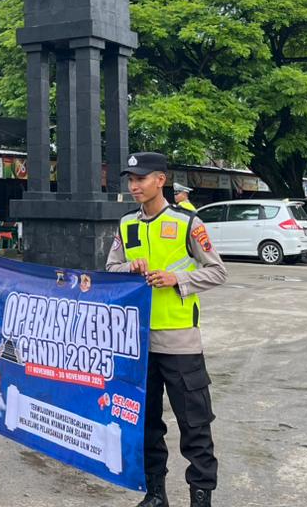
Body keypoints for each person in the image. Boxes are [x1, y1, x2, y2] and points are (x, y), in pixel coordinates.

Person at [107, 152, 227, 507]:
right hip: (138, 343)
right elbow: (110, 269)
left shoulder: (188, 222)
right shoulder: (126, 224)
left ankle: (200, 497)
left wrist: (178, 279)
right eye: (131, 180)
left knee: (195, 425)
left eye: (141, 179)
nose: (134, 186)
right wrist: (128, 268)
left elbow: (217, 271)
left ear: (160, 180)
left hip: (179, 342)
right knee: (146, 424)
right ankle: (155, 493)